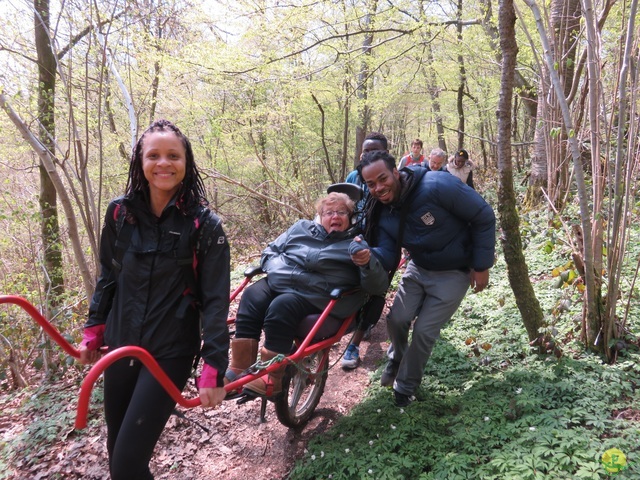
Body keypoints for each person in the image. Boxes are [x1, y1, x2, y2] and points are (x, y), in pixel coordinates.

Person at [78, 119, 230, 480]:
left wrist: (214, 366)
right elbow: (109, 275)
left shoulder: (205, 226)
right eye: (154, 155)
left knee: (128, 463)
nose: (164, 163)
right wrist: (94, 327)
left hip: (169, 351)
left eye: (173, 155)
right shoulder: (120, 214)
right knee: (120, 459)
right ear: (141, 162)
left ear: (186, 162)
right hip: (121, 345)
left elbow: (215, 301)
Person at [359, 150, 495, 407]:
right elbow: (388, 253)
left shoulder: (436, 185)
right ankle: (397, 358)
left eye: (383, 178)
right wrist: (367, 256)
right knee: (397, 318)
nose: (379, 188)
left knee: (423, 331)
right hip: (418, 267)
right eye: (371, 184)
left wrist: (481, 265)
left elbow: (483, 216)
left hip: (454, 271)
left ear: (396, 173)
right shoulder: (381, 210)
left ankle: (405, 388)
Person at [227, 192, 389, 398]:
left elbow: (377, 286)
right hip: (281, 280)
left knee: (282, 306)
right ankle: (240, 367)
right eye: (328, 212)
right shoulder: (300, 228)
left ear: (350, 217)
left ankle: (271, 378)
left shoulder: (355, 244)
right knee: (252, 295)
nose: (335, 217)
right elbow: (270, 251)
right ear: (320, 216)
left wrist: (366, 263)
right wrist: (278, 269)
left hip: (315, 294)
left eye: (341, 212)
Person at [341, 132, 390, 370]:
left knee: (375, 290)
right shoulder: (353, 176)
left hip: (382, 242)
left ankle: (354, 344)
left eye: (373, 151)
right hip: (354, 238)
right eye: (365, 150)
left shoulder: (389, 179)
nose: (367, 155)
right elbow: (342, 204)